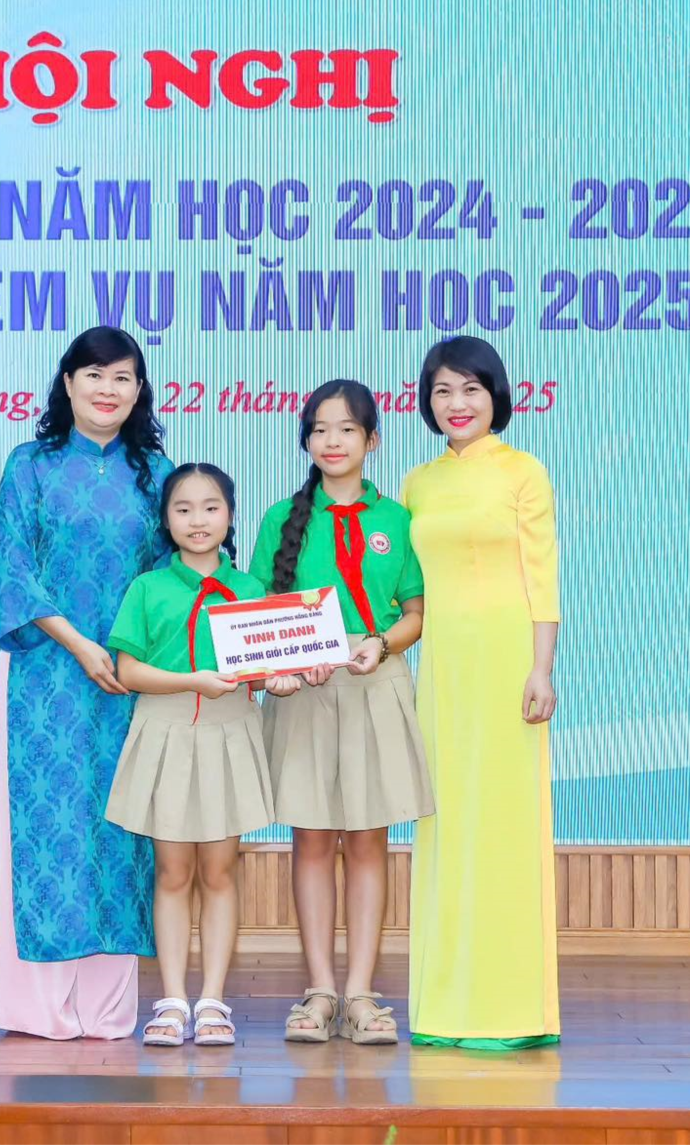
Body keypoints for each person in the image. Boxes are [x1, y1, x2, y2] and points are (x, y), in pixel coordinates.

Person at [0, 326, 170, 1039]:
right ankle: (40, 1008)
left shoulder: (155, 473)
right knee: (48, 830)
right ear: (67, 383)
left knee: (120, 832)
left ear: (139, 390)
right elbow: (13, 569)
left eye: (122, 377)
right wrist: (79, 645)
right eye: (93, 374)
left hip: (128, 679)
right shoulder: (29, 465)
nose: (107, 389)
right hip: (45, 674)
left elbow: (175, 575)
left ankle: (106, 1008)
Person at [250, 380, 433, 1045]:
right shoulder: (281, 517)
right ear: (306, 440)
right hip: (304, 692)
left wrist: (380, 643)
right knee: (311, 840)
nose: (332, 441)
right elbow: (259, 612)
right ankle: (320, 991)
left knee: (367, 842)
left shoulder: (398, 520)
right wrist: (285, 664)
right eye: (320, 429)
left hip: (375, 685)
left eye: (347, 428)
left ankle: (361, 994)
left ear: (372, 439)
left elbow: (415, 612)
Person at [400, 335, 563, 1049]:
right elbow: (403, 587)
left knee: (503, 825)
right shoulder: (417, 483)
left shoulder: (524, 471)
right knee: (445, 825)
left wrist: (541, 668)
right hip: (441, 669)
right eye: (442, 391)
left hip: (507, 662)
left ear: (495, 394)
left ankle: (510, 1009)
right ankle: (445, 1006)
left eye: (470, 388)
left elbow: (543, 575)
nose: (456, 403)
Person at [103, 463, 275, 1048]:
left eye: (210, 507)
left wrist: (282, 678)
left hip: (230, 734)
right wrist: (192, 682)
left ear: (230, 516)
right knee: (173, 873)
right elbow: (128, 671)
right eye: (183, 509)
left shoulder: (252, 591)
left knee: (220, 872)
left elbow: (264, 671)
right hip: (166, 731)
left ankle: (214, 1002)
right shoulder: (147, 588)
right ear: (166, 519)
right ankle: (173, 1001)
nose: (197, 520)